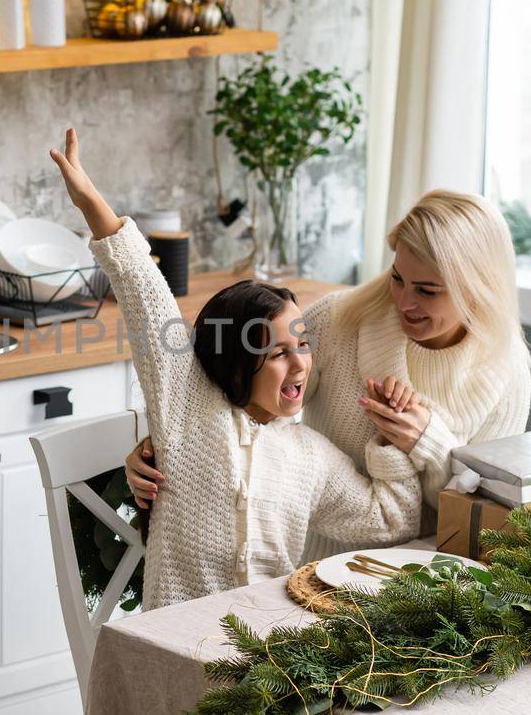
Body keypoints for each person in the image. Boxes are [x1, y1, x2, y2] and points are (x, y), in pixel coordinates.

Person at [50, 128, 423, 609]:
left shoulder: (312, 456)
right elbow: (143, 290)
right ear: (237, 360)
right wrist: (90, 204)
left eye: (304, 344)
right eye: (277, 353)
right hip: (173, 646)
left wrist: (391, 442)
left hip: (265, 659)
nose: (300, 364)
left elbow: (393, 519)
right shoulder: (189, 404)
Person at [127, 188, 531, 560]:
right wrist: (167, 445)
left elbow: (488, 514)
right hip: (310, 570)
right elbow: (238, 396)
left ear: (477, 287)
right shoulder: (341, 319)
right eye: (397, 279)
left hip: (436, 579)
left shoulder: (506, 372)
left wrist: (429, 442)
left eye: (427, 291)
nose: (405, 302)